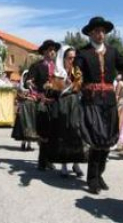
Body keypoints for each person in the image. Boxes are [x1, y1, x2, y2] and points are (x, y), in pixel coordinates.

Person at [75, 16, 123, 194]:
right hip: (92, 100)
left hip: (109, 101)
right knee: (97, 140)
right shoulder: (83, 53)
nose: (100, 34)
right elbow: (76, 72)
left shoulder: (113, 52)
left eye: (102, 31)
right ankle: (92, 178)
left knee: (108, 141)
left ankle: (100, 173)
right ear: (90, 33)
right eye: (96, 31)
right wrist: (75, 74)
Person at [50, 45, 86, 177]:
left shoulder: (78, 72)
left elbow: (81, 86)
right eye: (70, 58)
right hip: (63, 104)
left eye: (74, 58)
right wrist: (62, 85)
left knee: (77, 133)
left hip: (76, 104)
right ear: (64, 59)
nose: (72, 60)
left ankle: (76, 164)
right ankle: (64, 164)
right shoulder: (58, 73)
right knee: (64, 134)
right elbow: (54, 90)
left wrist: (75, 84)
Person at [26, 39, 61, 171]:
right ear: (44, 51)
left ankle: (49, 159)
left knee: (54, 133)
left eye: (54, 50)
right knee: (44, 133)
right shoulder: (37, 66)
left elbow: (62, 84)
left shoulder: (59, 68)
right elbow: (28, 82)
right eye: (50, 50)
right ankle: (42, 161)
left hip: (56, 103)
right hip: (42, 102)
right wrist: (38, 90)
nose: (52, 52)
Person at [11, 70, 37, 151]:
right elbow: (18, 96)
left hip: (32, 108)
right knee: (24, 126)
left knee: (31, 126)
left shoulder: (34, 86)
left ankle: (29, 144)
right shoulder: (21, 87)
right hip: (24, 108)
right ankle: (23, 143)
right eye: (27, 76)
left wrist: (34, 96)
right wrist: (27, 97)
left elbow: (38, 94)